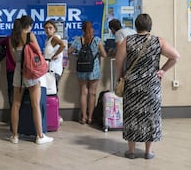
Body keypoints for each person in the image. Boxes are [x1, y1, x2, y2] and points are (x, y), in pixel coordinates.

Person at [114, 13, 180, 160]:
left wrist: (120, 75)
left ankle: (131, 151)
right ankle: (148, 151)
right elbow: (176, 56)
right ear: (150, 26)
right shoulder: (159, 41)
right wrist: (162, 70)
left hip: (132, 84)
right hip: (151, 85)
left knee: (132, 115)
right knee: (151, 116)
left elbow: (118, 61)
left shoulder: (127, 40)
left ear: (136, 26)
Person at [8, 15, 53, 145]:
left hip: (18, 71)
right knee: (35, 105)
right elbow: (38, 53)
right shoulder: (30, 36)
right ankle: (39, 136)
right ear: (29, 25)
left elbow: (13, 57)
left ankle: (15, 136)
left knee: (16, 104)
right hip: (31, 72)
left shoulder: (13, 38)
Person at [68, 21, 107, 125]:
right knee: (92, 93)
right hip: (94, 69)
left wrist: (78, 54)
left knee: (83, 92)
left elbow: (69, 52)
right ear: (92, 30)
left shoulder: (78, 40)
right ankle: (90, 118)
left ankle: (84, 117)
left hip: (82, 69)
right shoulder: (97, 40)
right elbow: (104, 55)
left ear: (83, 30)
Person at [43, 20, 66, 123]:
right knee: (52, 92)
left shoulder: (54, 38)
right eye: (46, 28)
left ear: (55, 29)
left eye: (50, 28)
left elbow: (63, 45)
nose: (48, 30)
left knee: (53, 92)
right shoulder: (48, 39)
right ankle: (54, 115)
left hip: (54, 70)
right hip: (49, 69)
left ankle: (56, 116)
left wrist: (55, 55)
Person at [0, 33, 16, 109]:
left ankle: (13, 116)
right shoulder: (24, 38)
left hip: (10, 69)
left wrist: (3, 53)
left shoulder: (9, 38)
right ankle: (22, 116)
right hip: (21, 70)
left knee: (11, 92)